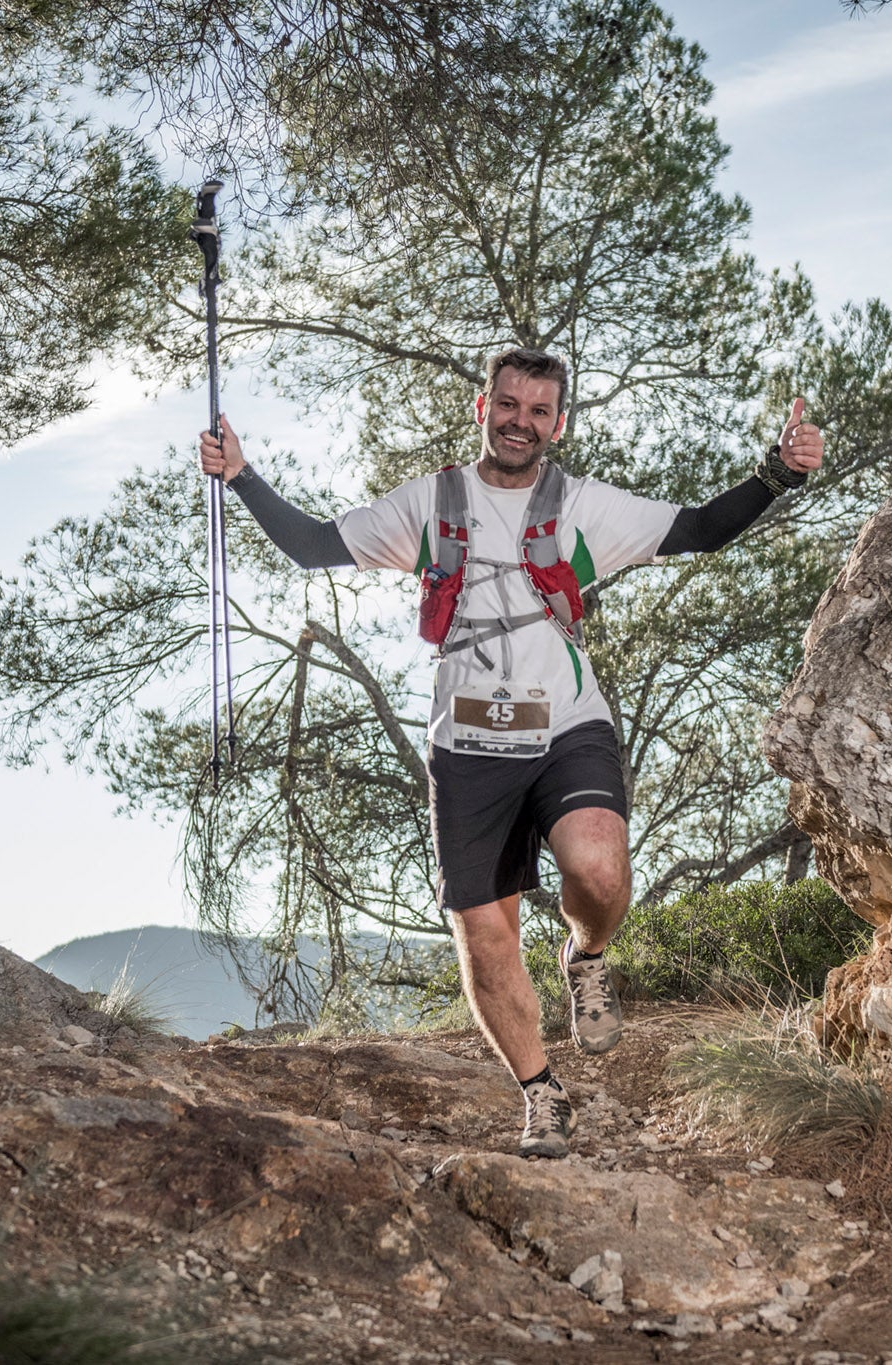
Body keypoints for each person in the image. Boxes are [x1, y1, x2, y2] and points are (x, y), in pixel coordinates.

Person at [198, 348, 822, 1158]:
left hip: (566, 724)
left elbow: (701, 530)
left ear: (557, 425)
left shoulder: (582, 505)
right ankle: (541, 1092)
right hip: (466, 747)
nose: (520, 421)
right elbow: (313, 545)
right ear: (483, 406)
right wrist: (242, 475)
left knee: (599, 868)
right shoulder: (433, 502)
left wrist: (778, 473)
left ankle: (585, 953)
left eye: (538, 411)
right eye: (508, 404)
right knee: (485, 939)